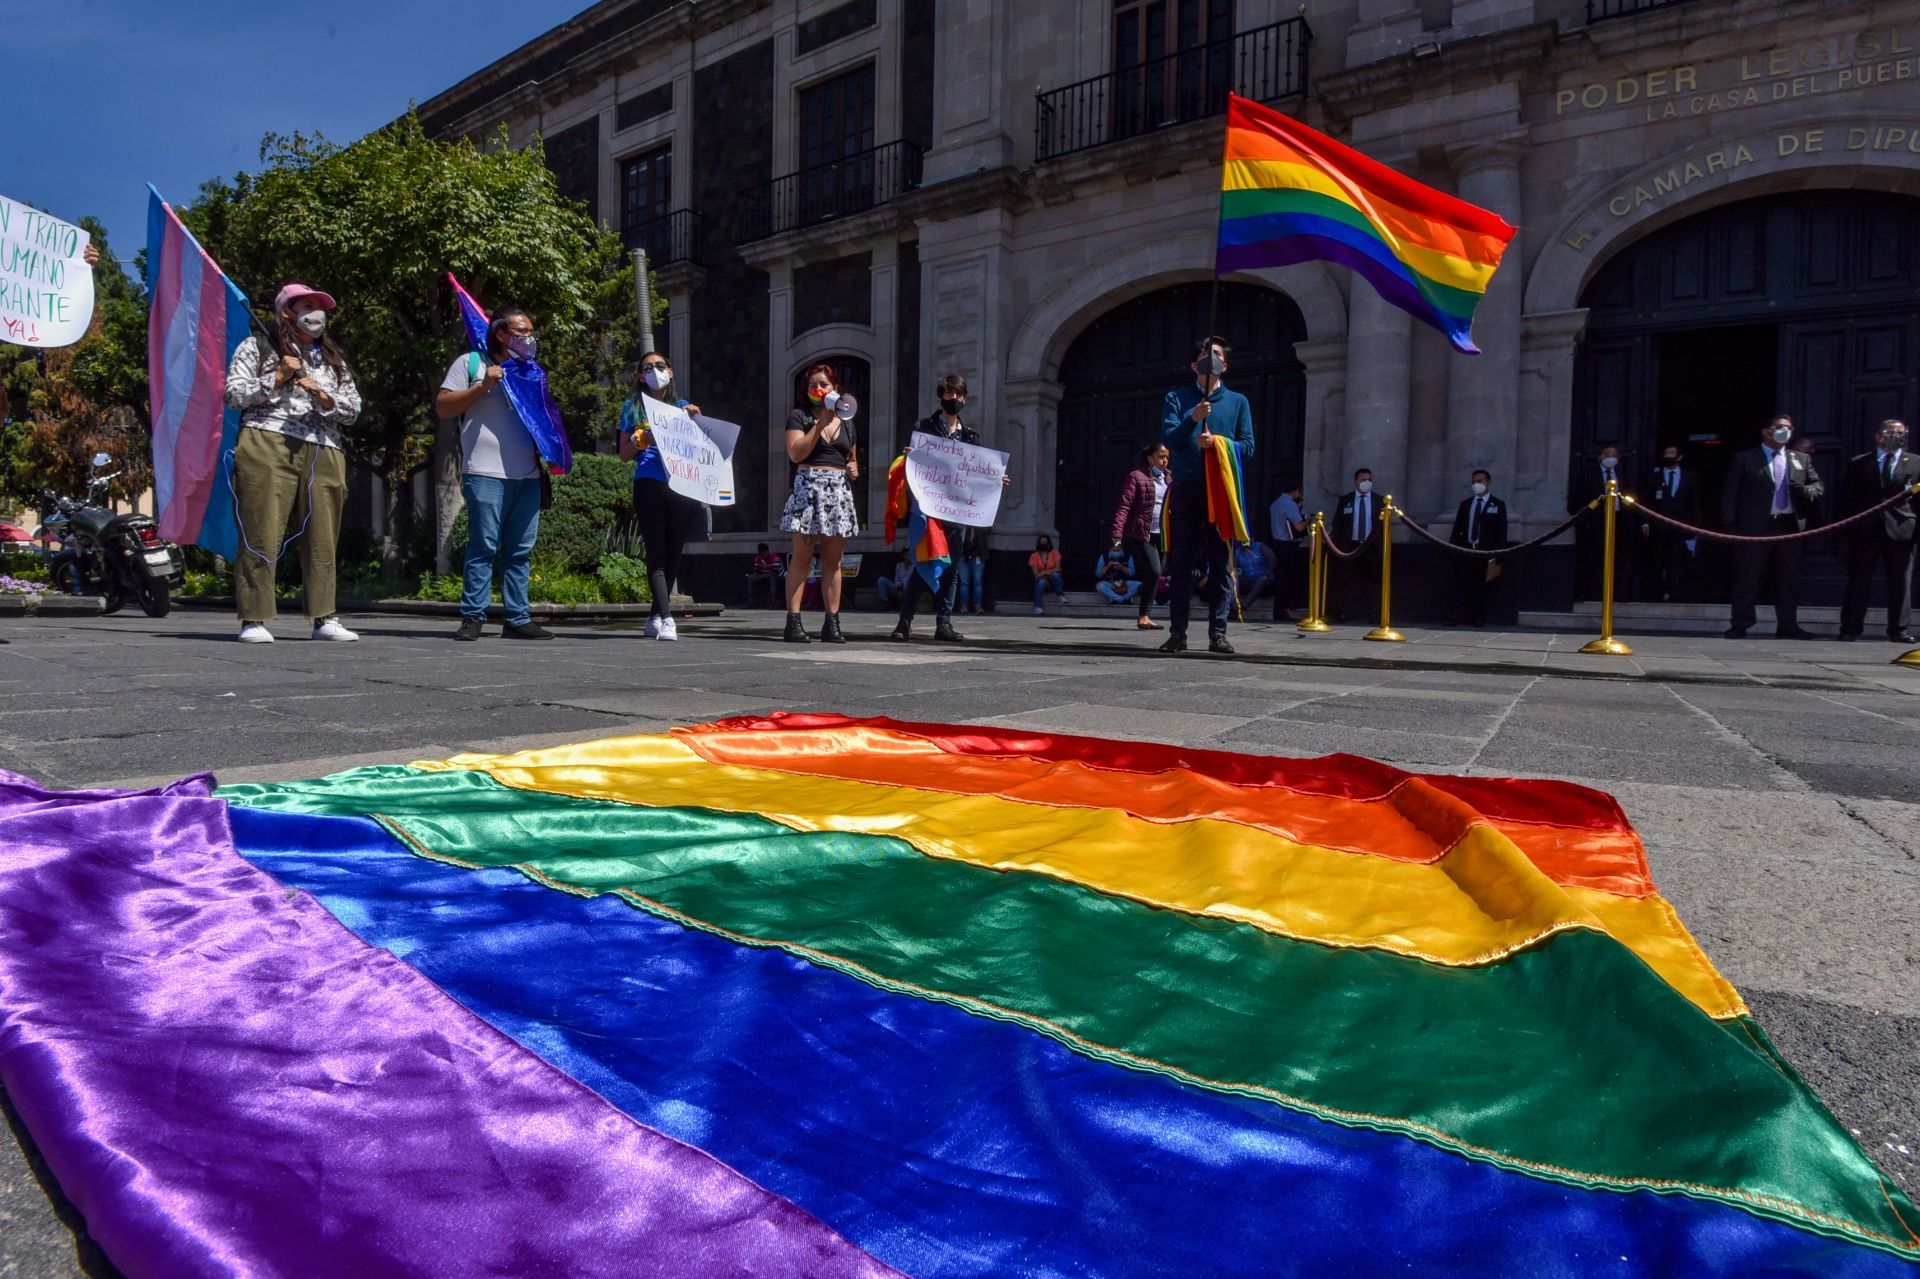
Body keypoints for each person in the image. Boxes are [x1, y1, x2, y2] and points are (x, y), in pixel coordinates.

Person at [223, 283, 361, 644]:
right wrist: (278, 376)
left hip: (324, 447)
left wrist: (321, 393)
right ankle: (254, 618)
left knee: (322, 537)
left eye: (321, 306)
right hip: (266, 441)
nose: (317, 313)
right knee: (261, 529)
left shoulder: (333, 359)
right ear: (287, 312)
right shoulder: (257, 346)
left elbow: (353, 409)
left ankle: (324, 617)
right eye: (308, 306)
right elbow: (233, 394)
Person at [436, 307, 553, 642]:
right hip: (484, 472)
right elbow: (444, 406)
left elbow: (545, 420)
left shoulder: (531, 371)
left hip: (528, 475)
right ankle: (473, 616)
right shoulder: (471, 363)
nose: (529, 338)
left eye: (531, 331)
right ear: (501, 334)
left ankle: (517, 618)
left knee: (520, 549)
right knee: (483, 545)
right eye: (522, 331)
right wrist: (484, 385)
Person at [892, 374, 1006, 642]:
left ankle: (944, 623)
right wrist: (909, 457)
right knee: (923, 564)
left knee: (952, 569)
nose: (953, 398)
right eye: (948, 393)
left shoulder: (970, 436)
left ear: (964, 398)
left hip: (957, 512)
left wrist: (995, 478)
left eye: (958, 395)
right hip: (929, 511)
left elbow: (976, 472)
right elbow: (913, 467)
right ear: (941, 395)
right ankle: (904, 623)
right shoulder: (923, 428)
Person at [1159, 336, 1255, 654]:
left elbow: (1248, 445)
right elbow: (1170, 439)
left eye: (1216, 355)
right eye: (1204, 355)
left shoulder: (1238, 401)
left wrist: (1220, 445)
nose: (1210, 360)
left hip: (1220, 489)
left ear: (1225, 365)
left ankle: (1218, 633)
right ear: (1193, 364)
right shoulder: (1176, 397)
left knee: (1220, 563)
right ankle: (1177, 633)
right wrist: (1193, 418)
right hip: (1187, 487)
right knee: (1182, 563)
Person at [618, 352, 704, 641]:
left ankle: (655, 615)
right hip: (649, 483)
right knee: (656, 552)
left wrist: (697, 422)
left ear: (671, 371)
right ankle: (667, 619)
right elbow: (622, 455)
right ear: (641, 376)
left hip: (681, 486)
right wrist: (642, 439)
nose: (655, 371)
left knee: (673, 554)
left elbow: (701, 449)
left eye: (660, 365)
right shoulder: (633, 407)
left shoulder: (682, 407)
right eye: (648, 368)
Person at [1721, 414, 1823, 639]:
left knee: (1788, 577)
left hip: (1789, 526)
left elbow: (1817, 485)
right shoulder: (1745, 458)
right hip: (1755, 526)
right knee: (1748, 576)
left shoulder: (1800, 459)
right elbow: (1731, 493)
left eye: (1789, 428)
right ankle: (1741, 622)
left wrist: (1807, 491)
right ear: (1766, 431)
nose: (1785, 432)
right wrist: (1730, 525)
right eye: (1779, 427)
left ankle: (1787, 623)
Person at [780, 363, 860, 643]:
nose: (818, 389)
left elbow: (851, 458)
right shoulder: (800, 416)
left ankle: (832, 623)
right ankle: (793, 622)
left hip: (837, 492)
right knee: (801, 560)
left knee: (833, 562)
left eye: (824, 384)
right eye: (813, 385)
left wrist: (853, 468)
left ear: (835, 388)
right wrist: (820, 426)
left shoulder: (848, 420)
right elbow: (795, 453)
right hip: (808, 490)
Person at [1838, 419, 1918, 643]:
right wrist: (1846, 529)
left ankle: (1898, 630)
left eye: (1900, 432)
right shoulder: (1859, 463)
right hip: (1865, 532)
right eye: (1890, 432)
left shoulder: (1915, 463)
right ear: (1878, 436)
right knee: (1859, 580)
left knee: (1901, 582)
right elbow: (1846, 499)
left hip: (1901, 531)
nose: (1895, 436)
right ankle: (1850, 627)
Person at [1109, 443, 1170, 630]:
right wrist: (1117, 535)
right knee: (1154, 571)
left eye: (1167, 457)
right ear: (1150, 458)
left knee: (1156, 575)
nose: (1164, 460)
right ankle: (1144, 616)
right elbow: (1124, 506)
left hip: (1164, 535)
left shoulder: (1170, 478)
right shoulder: (1137, 476)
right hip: (1142, 534)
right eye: (1161, 456)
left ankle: (1145, 612)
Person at [1446, 469, 1508, 627]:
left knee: (1482, 587)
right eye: (1474, 482)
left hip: (1486, 551)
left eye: (1480, 482)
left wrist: (1499, 554)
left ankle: (1480, 617)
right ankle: (1455, 616)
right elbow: (1457, 528)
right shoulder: (1466, 505)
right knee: (1461, 585)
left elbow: (1501, 531)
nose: (1476, 485)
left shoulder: (1498, 505)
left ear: (1488, 483)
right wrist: (1454, 548)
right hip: (1467, 550)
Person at [1639, 445, 1700, 603]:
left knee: (1678, 561)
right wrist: (1644, 522)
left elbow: (1695, 503)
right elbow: (1645, 502)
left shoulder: (1690, 477)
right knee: (1656, 560)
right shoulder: (1654, 477)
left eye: (1672, 453)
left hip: (1681, 526)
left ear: (1679, 457)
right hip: (1658, 526)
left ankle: (1676, 593)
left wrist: (1696, 528)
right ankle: (1655, 594)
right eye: (1666, 453)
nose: (1668, 456)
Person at [1576, 445, 1631, 603]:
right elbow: (1579, 497)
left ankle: (1618, 593)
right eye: (1607, 455)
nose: (1611, 458)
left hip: (1618, 520)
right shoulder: (1588, 474)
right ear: (1600, 457)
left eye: (1614, 455)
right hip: (1595, 522)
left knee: (1618, 558)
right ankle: (1591, 592)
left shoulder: (1622, 474)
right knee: (1593, 558)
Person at [1330, 468, 1380, 623]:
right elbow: (1338, 524)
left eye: (1369, 480)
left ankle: (1373, 613)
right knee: (1347, 580)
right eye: (1364, 479)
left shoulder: (1380, 500)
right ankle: (1345, 612)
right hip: (1350, 546)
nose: (1367, 483)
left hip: (1371, 546)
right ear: (1356, 481)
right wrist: (1337, 547)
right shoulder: (1346, 500)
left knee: (1372, 580)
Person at [1268, 479, 1306, 621]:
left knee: (1281, 577)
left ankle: (1280, 609)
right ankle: (1283, 609)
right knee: (1287, 578)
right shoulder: (1290, 505)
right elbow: (1299, 527)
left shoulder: (1275, 503)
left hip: (1276, 542)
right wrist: (1307, 520)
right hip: (1288, 545)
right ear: (1296, 491)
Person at [955, 525, 989, 614]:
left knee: (977, 581)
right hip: (962, 553)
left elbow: (988, 529)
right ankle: (964, 605)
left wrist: (977, 524)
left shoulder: (981, 519)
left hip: (978, 553)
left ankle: (978, 605)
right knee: (964, 581)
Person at [1234, 540, 1277, 610]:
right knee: (1234, 580)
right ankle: (1231, 607)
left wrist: (1267, 573)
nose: (1244, 541)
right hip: (1249, 582)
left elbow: (1273, 558)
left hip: (1264, 581)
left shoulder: (1259, 546)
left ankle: (1243, 606)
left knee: (1261, 582)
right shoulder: (1237, 552)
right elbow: (1235, 569)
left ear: (1252, 539)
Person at [1028, 535, 1065, 614]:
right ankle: (1038, 607)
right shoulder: (1034, 556)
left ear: (1048, 544)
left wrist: (1045, 572)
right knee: (1041, 582)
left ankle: (1060, 595)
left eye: (1045, 542)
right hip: (1043, 582)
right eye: (1041, 542)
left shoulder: (1054, 553)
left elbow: (1058, 569)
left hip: (1054, 581)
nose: (1043, 544)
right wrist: (1044, 576)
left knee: (1055, 574)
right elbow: (1036, 575)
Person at [747, 542, 784, 608]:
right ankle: (751, 601)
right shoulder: (758, 558)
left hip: (778, 577)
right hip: (763, 576)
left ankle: (773, 601)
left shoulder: (775, 559)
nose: (763, 555)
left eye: (764, 553)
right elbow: (756, 570)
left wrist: (760, 576)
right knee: (750, 580)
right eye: (761, 554)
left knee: (772, 580)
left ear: (767, 551)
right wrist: (754, 576)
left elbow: (774, 573)